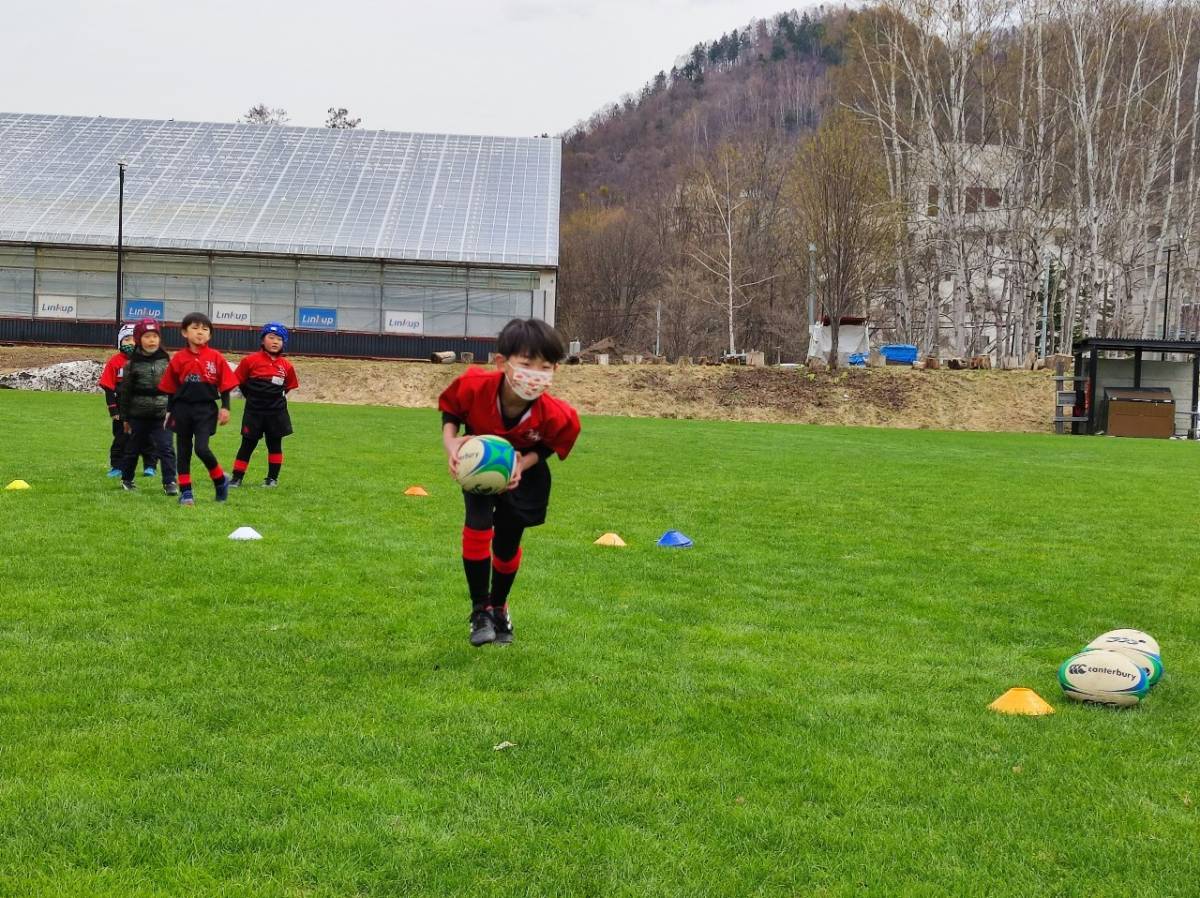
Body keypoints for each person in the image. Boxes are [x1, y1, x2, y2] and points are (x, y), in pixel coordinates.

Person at [439, 318, 581, 647]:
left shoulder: (557, 414)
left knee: (506, 545)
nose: (535, 374)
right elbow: (452, 412)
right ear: (502, 362)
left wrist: (522, 463)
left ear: (555, 370)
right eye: (527, 364)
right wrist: (451, 444)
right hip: (479, 468)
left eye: (545, 367)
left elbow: (549, 445)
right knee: (477, 525)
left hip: (525, 478)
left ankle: (499, 607)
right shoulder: (474, 386)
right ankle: (480, 611)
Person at [157, 312, 239, 506]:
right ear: (184, 332)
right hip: (181, 410)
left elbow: (225, 385)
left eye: (204, 329)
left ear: (209, 335)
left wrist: (225, 407)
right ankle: (186, 493)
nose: (200, 332)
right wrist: (169, 412)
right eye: (194, 328)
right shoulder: (178, 358)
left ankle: (220, 479)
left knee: (201, 448)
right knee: (183, 452)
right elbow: (171, 389)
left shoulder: (216, 357)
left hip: (206, 410)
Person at [230, 322, 299, 488]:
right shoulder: (249, 361)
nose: (275, 341)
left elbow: (289, 386)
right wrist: (253, 397)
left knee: (274, 444)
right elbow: (239, 381)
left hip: (276, 412)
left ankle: (272, 479)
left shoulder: (287, 366)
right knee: (247, 444)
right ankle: (237, 478)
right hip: (254, 411)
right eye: (271, 337)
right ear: (262, 340)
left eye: (279, 339)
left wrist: (275, 399)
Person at [116, 318, 177, 495]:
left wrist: (173, 411)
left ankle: (170, 482)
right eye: (147, 336)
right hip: (138, 415)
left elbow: (175, 388)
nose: (152, 340)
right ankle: (127, 479)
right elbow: (125, 393)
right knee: (133, 449)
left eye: (155, 336)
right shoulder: (131, 364)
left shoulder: (167, 362)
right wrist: (125, 418)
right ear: (138, 339)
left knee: (166, 448)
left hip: (162, 415)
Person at [98, 322, 156, 478]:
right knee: (121, 438)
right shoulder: (114, 362)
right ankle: (117, 466)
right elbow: (108, 387)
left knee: (146, 438)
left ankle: (150, 465)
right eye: (127, 339)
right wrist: (113, 409)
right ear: (120, 342)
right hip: (122, 409)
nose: (131, 343)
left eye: (135, 340)